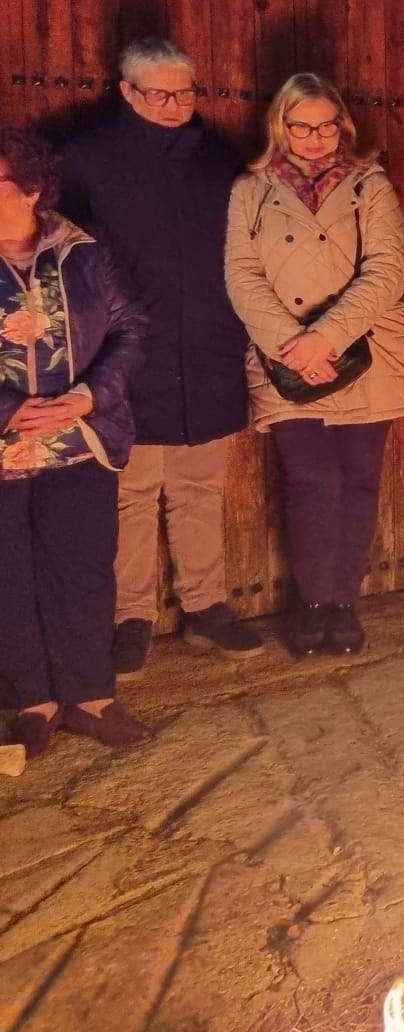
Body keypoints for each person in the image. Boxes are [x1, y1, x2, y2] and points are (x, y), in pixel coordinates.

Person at [59, 37, 261, 676]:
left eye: (186, 91)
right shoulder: (86, 161)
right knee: (131, 492)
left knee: (200, 486)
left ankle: (207, 605)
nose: (176, 105)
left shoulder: (220, 161)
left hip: (208, 345)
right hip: (125, 356)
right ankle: (132, 617)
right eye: (160, 94)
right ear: (126, 92)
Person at [223, 75, 404, 659]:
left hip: (367, 356)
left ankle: (345, 603)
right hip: (285, 358)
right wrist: (295, 344)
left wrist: (327, 338)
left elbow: (387, 270)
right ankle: (314, 603)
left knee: (360, 481)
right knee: (311, 481)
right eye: (301, 125)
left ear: (343, 126)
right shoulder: (250, 189)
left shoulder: (370, 183)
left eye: (325, 125)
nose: (314, 138)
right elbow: (241, 276)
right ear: (279, 127)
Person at [0, 128, 152, 761]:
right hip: (3, 446)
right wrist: (11, 410)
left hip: (78, 439)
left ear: (33, 189)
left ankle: (90, 695)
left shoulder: (83, 252)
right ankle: (31, 700)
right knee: (9, 574)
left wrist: (87, 399)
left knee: (84, 567)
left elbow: (130, 327)